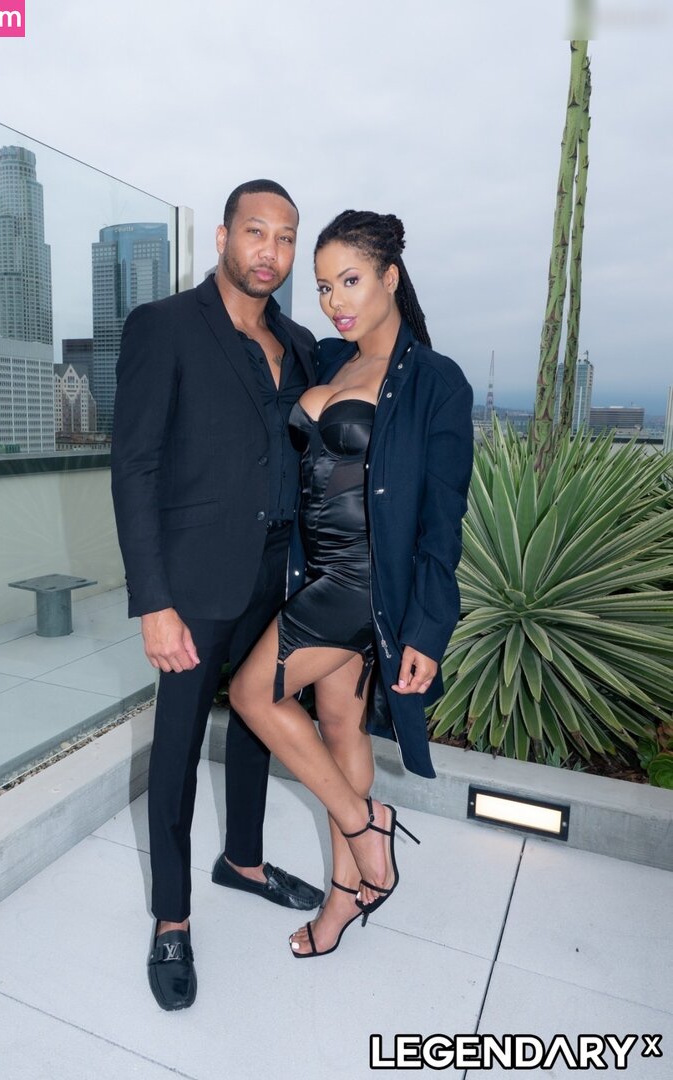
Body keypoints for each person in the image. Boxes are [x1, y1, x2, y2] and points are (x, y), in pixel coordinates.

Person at [230, 209, 474, 957]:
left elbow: (443, 518)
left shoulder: (435, 381)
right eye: (324, 286)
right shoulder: (331, 358)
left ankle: (369, 827)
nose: (335, 300)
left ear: (390, 277)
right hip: (318, 571)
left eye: (351, 280)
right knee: (339, 729)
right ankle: (343, 898)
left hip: (363, 586)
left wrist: (428, 630)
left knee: (252, 694)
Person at [111, 180, 325, 1011]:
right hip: (193, 581)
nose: (270, 251)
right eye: (256, 231)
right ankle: (171, 916)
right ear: (225, 237)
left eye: (285, 237)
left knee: (260, 720)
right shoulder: (163, 326)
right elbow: (134, 468)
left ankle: (243, 858)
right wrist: (153, 601)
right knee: (175, 749)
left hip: (279, 570)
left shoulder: (299, 343)